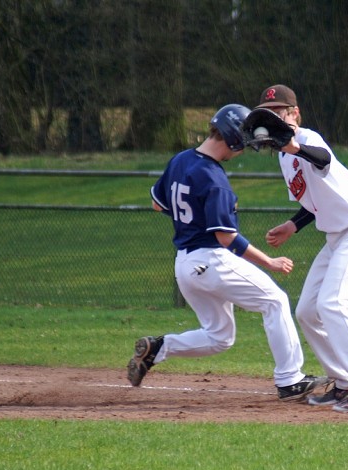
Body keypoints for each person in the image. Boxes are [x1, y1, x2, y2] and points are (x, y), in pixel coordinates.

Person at [127, 103, 328, 402]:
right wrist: (269, 262)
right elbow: (226, 238)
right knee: (274, 301)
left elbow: (158, 204)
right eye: (243, 143)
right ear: (233, 139)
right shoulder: (214, 179)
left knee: (220, 337)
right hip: (211, 261)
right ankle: (290, 380)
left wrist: (191, 219)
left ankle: (158, 348)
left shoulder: (181, 160)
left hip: (184, 265)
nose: (243, 149)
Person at [254, 84, 348, 413]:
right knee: (307, 311)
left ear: (294, 113)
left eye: (279, 112)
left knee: (332, 303)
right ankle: (344, 382)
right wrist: (293, 225)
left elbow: (323, 159)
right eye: (268, 113)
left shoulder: (307, 139)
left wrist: (294, 145)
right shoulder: (285, 159)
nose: (273, 118)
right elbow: (314, 200)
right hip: (336, 237)